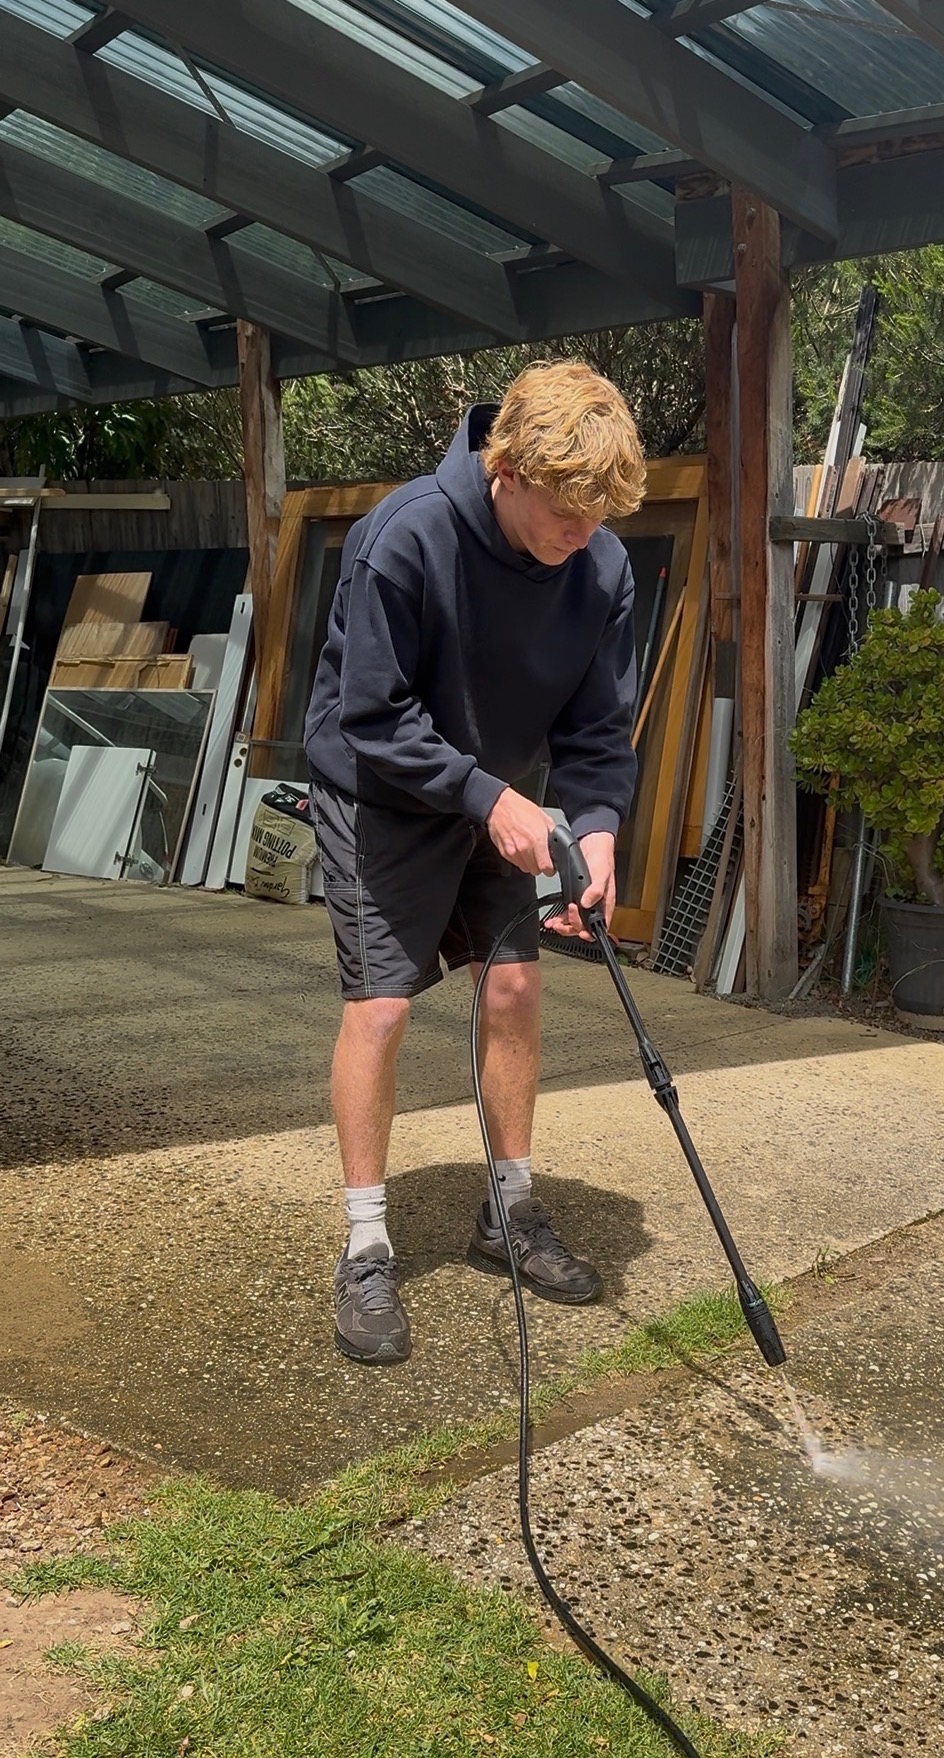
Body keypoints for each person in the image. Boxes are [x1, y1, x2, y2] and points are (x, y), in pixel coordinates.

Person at [303, 360, 645, 1366]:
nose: (583, 538)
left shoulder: (601, 567)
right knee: (382, 1005)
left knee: (513, 994)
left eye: (598, 519)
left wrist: (597, 832)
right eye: (568, 515)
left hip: (499, 792)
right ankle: (366, 1242)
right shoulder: (403, 540)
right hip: (380, 790)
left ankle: (509, 1209)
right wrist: (486, 797)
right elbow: (371, 716)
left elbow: (596, 729)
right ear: (508, 472)